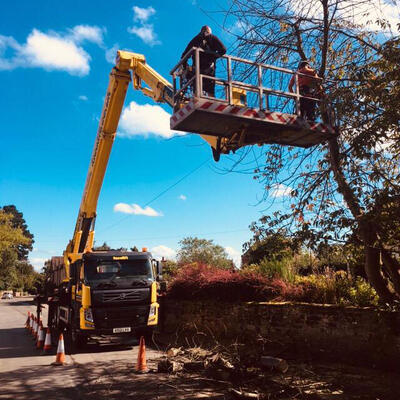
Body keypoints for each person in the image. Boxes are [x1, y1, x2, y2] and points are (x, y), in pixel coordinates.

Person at [180, 25, 226, 97]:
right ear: (209, 31)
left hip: (198, 68)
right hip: (209, 68)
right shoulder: (213, 38)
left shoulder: (196, 39)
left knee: (197, 89)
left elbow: (184, 55)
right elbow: (223, 50)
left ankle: (197, 99)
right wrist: (214, 57)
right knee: (210, 90)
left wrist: (185, 66)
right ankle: (210, 101)